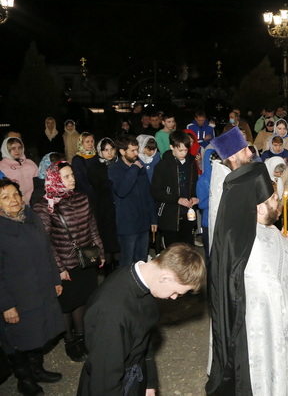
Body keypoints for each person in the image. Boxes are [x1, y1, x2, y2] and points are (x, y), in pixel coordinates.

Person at [208, 162, 288, 395]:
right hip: (270, 339)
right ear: (258, 208)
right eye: (273, 199)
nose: (278, 202)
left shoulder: (239, 236)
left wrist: (284, 243)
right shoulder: (259, 254)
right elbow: (281, 296)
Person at [78, 243, 205, 396]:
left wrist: (149, 381)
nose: (174, 297)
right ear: (165, 278)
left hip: (134, 376)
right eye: (176, 292)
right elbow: (105, 379)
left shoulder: (145, 283)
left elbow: (144, 338)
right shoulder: (111, 313)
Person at [33, 162, 105, 363]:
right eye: (66, 176)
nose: (72, 179)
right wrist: (59, 268)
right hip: (64, 264)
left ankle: (82, 338)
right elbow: (45, 242)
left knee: (82, 301)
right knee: (66, 305)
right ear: (55, 179)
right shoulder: (45, 205)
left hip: (85, 260)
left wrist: (100, 251)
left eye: (72, 175)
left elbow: (92, 227)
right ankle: (70, 340)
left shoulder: (81, 198)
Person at [0, 179, 64, 395]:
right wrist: (6, 305)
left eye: (15, 194)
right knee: (18, 339)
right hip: (16, 297)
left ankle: (37, 370)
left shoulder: (31, 217)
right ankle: (24, 379)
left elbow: (48, 251)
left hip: (41, 289)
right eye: (5, 197)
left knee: (40, 331)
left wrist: (55, 279)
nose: (13, 200)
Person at [110, 135, 158, 268]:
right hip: (128, 226)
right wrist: (134, 169)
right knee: (127, 263)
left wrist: (153, 219)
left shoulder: (139, 167)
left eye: (137, 150)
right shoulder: (115, 169)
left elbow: (149, 195)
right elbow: (122, 191)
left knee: (141, 262)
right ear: (122, 151)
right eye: (132, 150)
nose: (136, 154)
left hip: (143, 223)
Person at [151, 130, 199, 247]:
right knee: (172, 252)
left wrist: (195, 198)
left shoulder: (191, 162)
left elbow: (194, 185)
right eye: (180, 150)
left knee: (187, 251)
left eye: (186, 150)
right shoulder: (163, 165)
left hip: (188, 214)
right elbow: (155, 191)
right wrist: (177, 199)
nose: (184, 153)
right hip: (170, 216)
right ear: (171, 147)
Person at [87, 138, 120, 273]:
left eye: (112, 149)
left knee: (117, 239)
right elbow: (98, 187)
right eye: (106, 150)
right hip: (103, 208)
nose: (109, 152)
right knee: (106, 238)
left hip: (117, 207)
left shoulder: (119, 164)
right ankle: (107, 270)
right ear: (100, 151)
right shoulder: (95, 167)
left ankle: (118, 270)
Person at [0, 137, 39, 203]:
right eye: (13, 148)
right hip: (15, 203)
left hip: (35, 201)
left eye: (19, 148)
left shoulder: (30, 163)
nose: (17, 151)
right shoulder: (2, 167)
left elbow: (39, 182)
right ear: (6, 149)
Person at [71, 132, 97, 199]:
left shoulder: (97, 156)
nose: (90, 144)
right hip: (85, 194)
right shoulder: (77, 159)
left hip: (98, 192)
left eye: (92, 141)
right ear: (81, 143)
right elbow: (79, 180)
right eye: (87, 142)